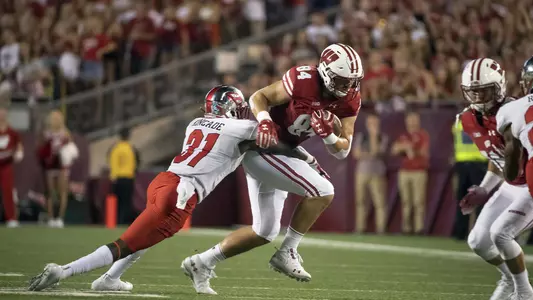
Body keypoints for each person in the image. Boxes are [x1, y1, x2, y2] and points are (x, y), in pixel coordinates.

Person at [27, 85, 319, 293]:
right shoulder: (239, 128)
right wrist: (308, 156)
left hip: (164, 181)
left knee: (146, 236)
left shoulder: (195, 123)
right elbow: (276, 141)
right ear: (230, 107)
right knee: (126, 243)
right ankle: (63, 271)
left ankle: (110, 280)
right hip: (180, 194)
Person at [182, 43, 363, 294]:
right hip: (263, 145)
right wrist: (265, 122)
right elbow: (259, 97)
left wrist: (329, 137)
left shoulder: (351, 100)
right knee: (324, 190)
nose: (349, 87)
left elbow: (342, 150)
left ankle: (201, 262)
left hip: (282, 151)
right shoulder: (303, 79)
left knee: (264, 231)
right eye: (344, 81)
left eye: (353, 81)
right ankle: (288, 251)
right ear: (326, 73)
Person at [458, 58, 533, 300]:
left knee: (500, 234)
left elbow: (512, 160)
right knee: (478, 241)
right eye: (473, 92)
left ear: (499, 86)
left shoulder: (514, 111)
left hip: (528, 187)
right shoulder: (467, 119)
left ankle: (524, 291)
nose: (478, 97)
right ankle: (510, 279)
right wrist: (484, 188)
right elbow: (496, 157)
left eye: (484, 91)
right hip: (511, 186)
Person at [391, 111, 429, 235]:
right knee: (406, 201)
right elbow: (394, 150)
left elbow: (424, 152)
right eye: (410, 120)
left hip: (419, 171)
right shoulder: (403, 135)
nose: (412, 123)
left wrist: (410, 148)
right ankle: (406, 228)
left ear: (418, 121)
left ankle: (419, 228)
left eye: (414, 120)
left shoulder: (423, 135)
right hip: (404, 171)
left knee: (419, 201)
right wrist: (405, 148)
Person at [37, 110, 76, 228]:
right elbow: (41, 148)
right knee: (50, 192)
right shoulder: (46, 133)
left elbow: (71, 149)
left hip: (61, 166)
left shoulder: (65, 133)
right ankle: (51, 217)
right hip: (50, 166)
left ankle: (60, 218)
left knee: (62, 192)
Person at [451, 121, 488, 240]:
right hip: (476, 163)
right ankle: (475, 232)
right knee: (474, 200)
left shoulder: (458, 122)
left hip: (466, 163)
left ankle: (462, 232)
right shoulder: (481, 121)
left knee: (465, 200)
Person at [353, 113, 388, 234]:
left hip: (377, 173)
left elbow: (375, 152)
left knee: (379, 203)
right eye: (370, 123)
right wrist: (367, 154)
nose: (372, 126)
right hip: (361, 173)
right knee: (361, 202)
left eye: (374, 123)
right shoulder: (361, 136)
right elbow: (356, 154)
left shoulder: (382, 137)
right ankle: (360, 228)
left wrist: (373, 136)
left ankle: (381, 229)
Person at [108, 128, 137, 225]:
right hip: (129, 177)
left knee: (118, 201)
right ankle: (125, 221)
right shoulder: (131, 148)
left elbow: (113, 163)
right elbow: (135, 163)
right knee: (127, 201)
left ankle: (117, 220)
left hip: (118, 178)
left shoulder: (116, 148)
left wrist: (113, 176)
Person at [0, 107, 23, 228]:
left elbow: (18, 145)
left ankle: (11, 218)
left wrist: (19, 153)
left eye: (3, 114)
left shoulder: (12, 132)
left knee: (8, 191)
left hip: (6, 165)